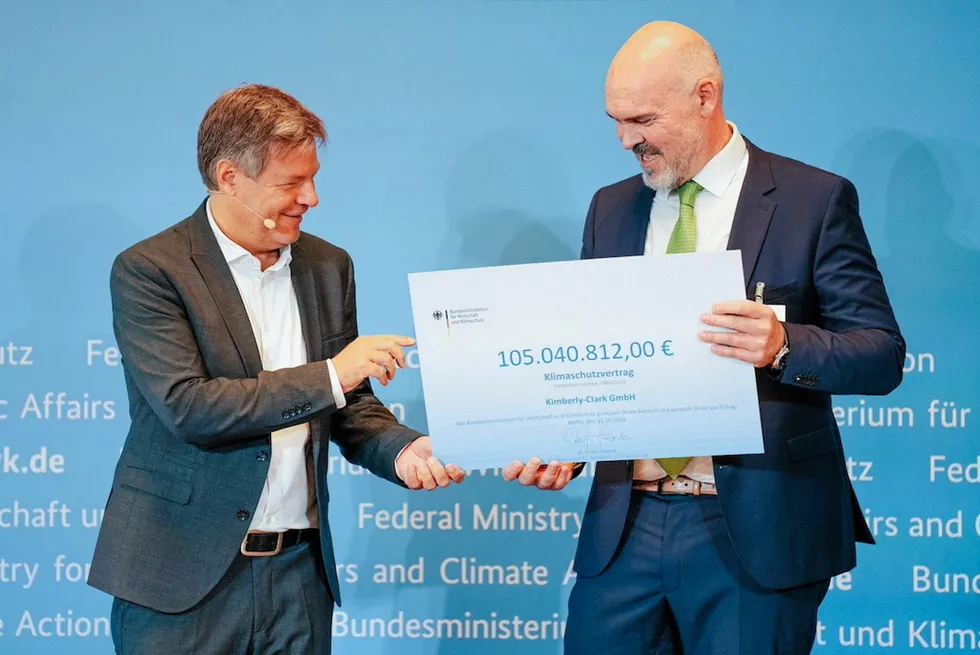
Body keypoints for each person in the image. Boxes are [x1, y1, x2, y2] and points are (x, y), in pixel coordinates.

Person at [502, 21, 905, 654]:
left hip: (756, 531)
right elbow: (595, 356)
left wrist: (782, 345)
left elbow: (881, 354)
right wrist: (568, 443)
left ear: (704, 96)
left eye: (641, 119)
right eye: (614, 119)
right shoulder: (610, 208)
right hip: (623, 528)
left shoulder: (813, 199)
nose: (624, 139)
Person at [87, 83, 465, 654]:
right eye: (290, 183)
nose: (310, 197)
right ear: (228, 177)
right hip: (182, 581)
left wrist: (405, 451)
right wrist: (332, 375)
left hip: (297, 579)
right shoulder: (151, 270)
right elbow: (190, 407)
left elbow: (347, 403)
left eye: (312, 177)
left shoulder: (327, 265)